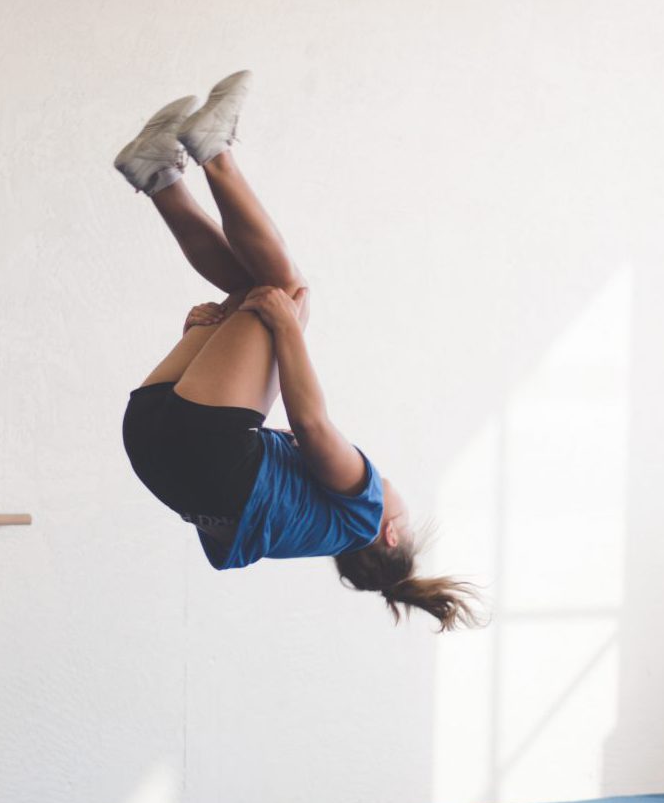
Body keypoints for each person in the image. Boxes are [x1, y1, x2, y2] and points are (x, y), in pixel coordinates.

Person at [115, 71, 481, 630]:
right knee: (251, 295)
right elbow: (204, 465)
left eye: (403, 509)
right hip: (151, 443)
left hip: (204, 450)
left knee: (286, 290)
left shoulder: (361, 511)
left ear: (393, 531)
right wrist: (201, 337)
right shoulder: (302, 523)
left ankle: (213, 153)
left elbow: (311, 423)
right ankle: (158, 175)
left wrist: (290, 328)